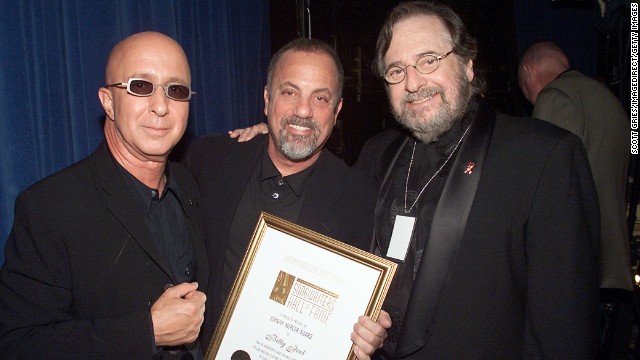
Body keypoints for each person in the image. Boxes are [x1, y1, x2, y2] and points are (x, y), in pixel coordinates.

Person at [354, 2, 600, 358]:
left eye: (428, 60)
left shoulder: (543, 156)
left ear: (468, 65)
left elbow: (564, 332)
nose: (412, 82)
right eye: (396, 70)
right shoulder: (377, 154)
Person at [0, 31, 208, 359]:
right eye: (141, 86)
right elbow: (18, 343)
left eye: (176, 90)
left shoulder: (190, 185)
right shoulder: (49, 207)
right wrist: (147, 332)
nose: (161, 106)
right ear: (108, 101)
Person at [184, 38, 389, 359]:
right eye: (289, 92)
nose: (303, 110)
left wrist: (369, 332)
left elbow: (360, 304)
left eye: (320, 98)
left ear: (337, 110)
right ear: (267, 100)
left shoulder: (361, 200)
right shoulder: (208, 161)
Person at [519, 41, 632, 292]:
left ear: (528, 71)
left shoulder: (555, 95)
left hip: (578, 263)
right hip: (612, 261)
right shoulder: (605, 98)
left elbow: (545, 182)